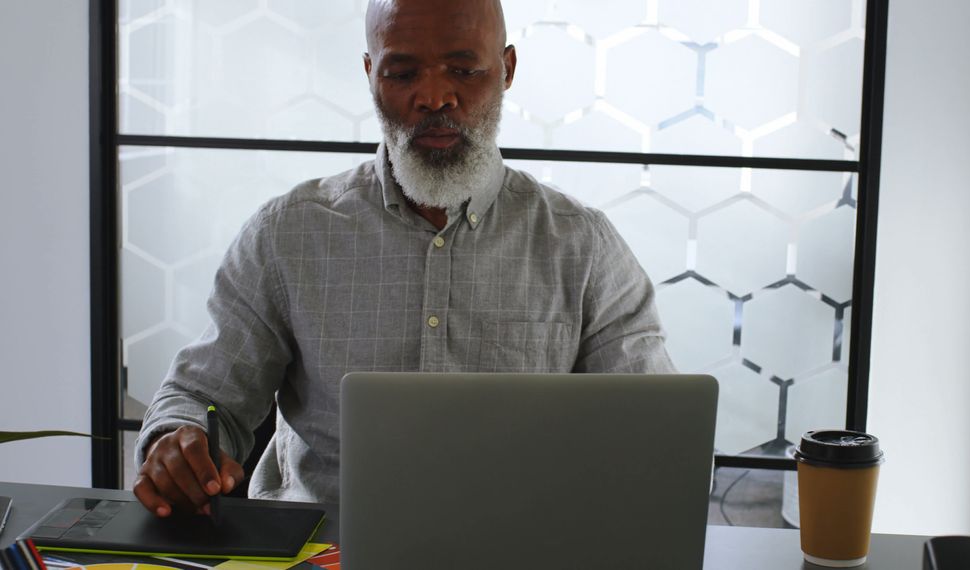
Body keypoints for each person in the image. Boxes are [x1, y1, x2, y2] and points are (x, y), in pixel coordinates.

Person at [133, 0, 675, 517]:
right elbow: (202, 398)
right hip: (321, 551)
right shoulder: (288, 234)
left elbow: (655, 438)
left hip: (515, 549)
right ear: (370, 73)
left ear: (506, 69)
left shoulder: (582, 248)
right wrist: (177, 442)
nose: (434, 97)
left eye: (463, 71)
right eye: (402, 73)